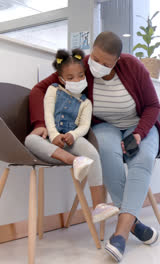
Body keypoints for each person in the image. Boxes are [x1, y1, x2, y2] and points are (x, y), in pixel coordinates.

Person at [28, 31, 160, 262]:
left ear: (118, 61)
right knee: (108, 156)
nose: (97, 66)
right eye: (96, 59)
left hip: (138, 124)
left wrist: (140, 134)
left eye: (105, 63)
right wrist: (40, 123)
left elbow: (152, 105)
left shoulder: (132, 66)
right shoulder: (81, 66)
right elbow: (39, 90)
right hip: (104, 126)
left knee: (141, 161)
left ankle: (120, 234)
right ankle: (133, 223)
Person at [25, 48, 119, 223]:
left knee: (92, 153)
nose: (77, 80)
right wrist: (52, 134)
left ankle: (98, 206)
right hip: (51, 138)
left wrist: (73, 135)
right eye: (70, 78)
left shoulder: (86, 102)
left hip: (71, 138)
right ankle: (73, 160)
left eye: (80, 76)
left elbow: (84, 126)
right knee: (30, 139)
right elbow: (47, 113)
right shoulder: (53, 90)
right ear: (61, 79)